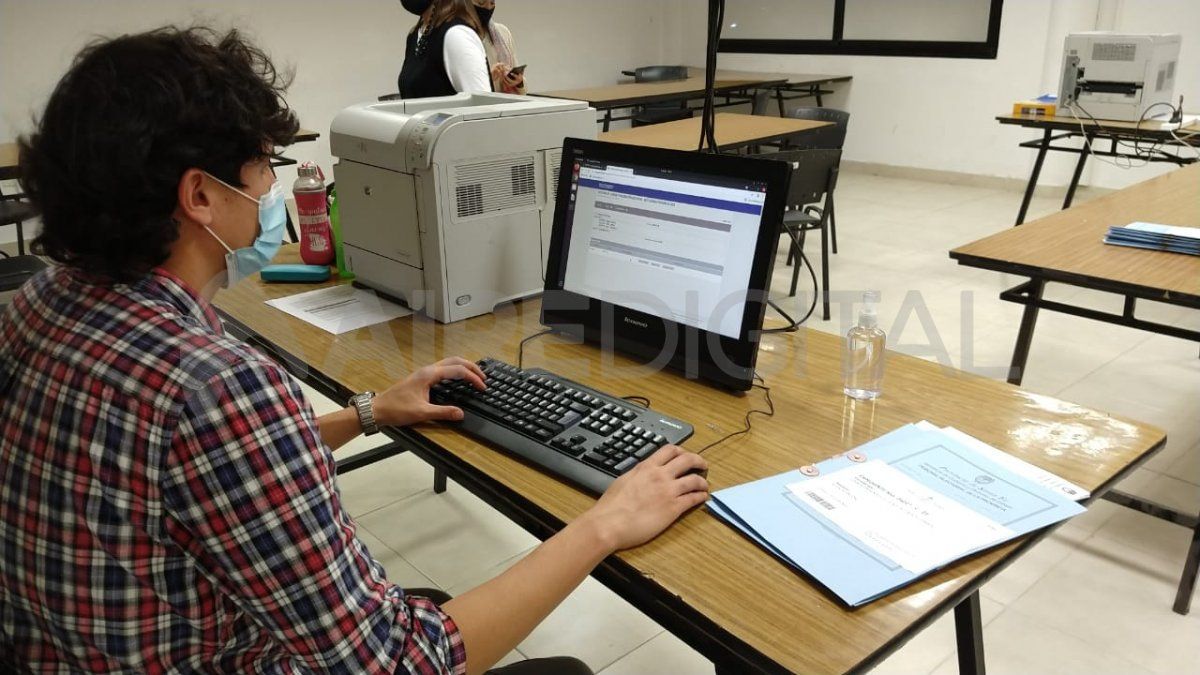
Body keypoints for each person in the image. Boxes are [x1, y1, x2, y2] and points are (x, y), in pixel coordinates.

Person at [0, 27, 709, 674]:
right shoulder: (214, 385)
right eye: (262, 166)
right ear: (200, 197)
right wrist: (605, 523)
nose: (271, 187)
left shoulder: (36, 304)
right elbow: (401, 662)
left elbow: (184, 473)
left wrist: (369, 411)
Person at [397, 0, 525, 98]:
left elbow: (481, 111)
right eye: (481, 2)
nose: (487, 7)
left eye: (491, 3)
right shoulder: (416, 35)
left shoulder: (457, 34)